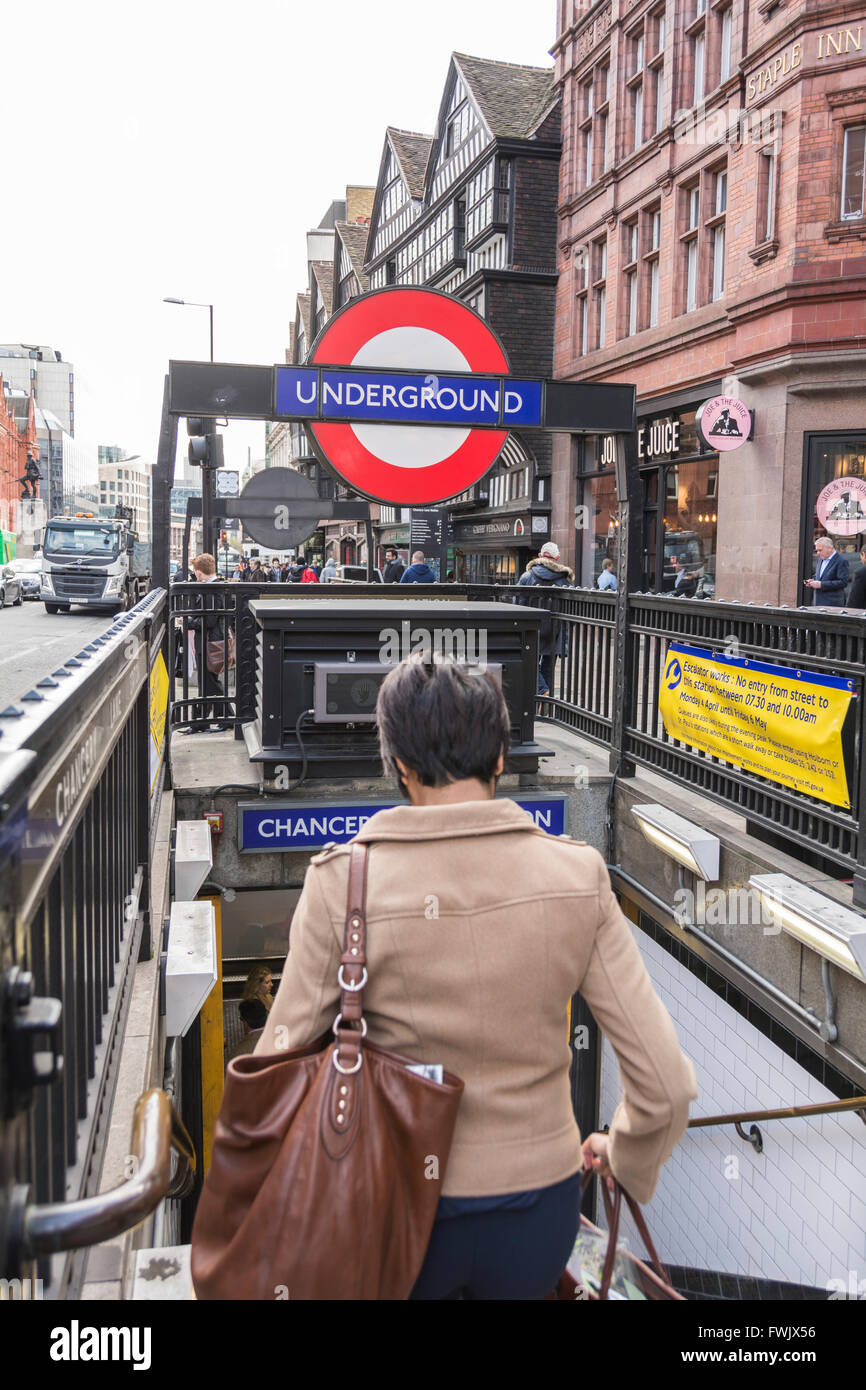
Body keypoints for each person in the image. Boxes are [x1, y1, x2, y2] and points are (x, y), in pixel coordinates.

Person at [257, 656, 696, 1301]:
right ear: (499, 757)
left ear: (398, 765)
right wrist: (625, 1156)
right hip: (538, 1211)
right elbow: (665, 1086)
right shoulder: (577, 877)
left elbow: (277, 1068)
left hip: (398, 1206)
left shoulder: (342, 885)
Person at [181, 553, 233, 731]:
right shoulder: (217, 586)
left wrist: (186, 621)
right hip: (212, 640)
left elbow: (209, 621)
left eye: (195, 572)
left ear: (198, 572)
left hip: (209, 641)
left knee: (209, 682)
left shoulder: (211, 590)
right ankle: (206, 721)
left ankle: (223, 718)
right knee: (207, 681)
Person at [517, 541, 574, 696]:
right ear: (557, 557)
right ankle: (545, 702)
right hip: (555, 630)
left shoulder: (527, 577)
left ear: (540, 556)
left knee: (530, 664)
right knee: (548, 669)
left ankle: (543, 691)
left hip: (532, 627)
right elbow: (570, 610)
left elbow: (518, 604)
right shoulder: (564, 581)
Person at [805, 535, 850, 607]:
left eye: (820, 550)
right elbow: (820, 576)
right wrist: (812, 580)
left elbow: (843, 582)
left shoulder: (841, 561)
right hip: (818, 602)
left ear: (830, 548)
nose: (818, 553)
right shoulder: (820, 559)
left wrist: (821, 584)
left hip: (832, 604)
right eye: (817, 550)